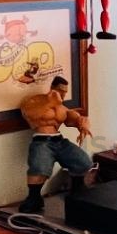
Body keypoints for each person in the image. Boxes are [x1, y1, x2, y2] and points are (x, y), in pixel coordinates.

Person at [19, 76, 92, 214]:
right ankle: (34, 198)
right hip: (42, 141)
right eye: (60, 91)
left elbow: (72, 118)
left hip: (59, 140)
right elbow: (30, 114)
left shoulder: (61, 107)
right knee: (39, 168)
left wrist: (82, 123)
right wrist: (49, 103)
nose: (63, 94)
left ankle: (77, 187)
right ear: (52, 88)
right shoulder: (35, 101)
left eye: (65, 92)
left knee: (83, 161)